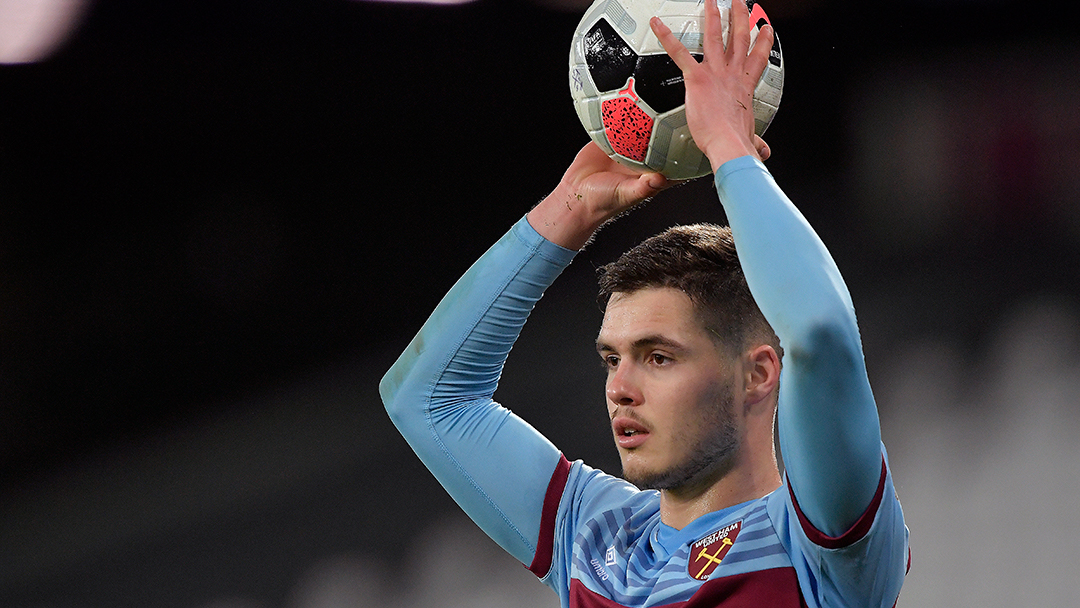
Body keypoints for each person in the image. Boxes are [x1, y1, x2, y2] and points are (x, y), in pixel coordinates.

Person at [379, 1, 909, 606]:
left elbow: (819, 331)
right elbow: (425, 397)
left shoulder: (822, 549)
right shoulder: (595, 539)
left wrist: (729, 150)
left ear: (758, 374)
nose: (619, 388)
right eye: (612, 359)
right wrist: (569, 211)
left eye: (658, 357)